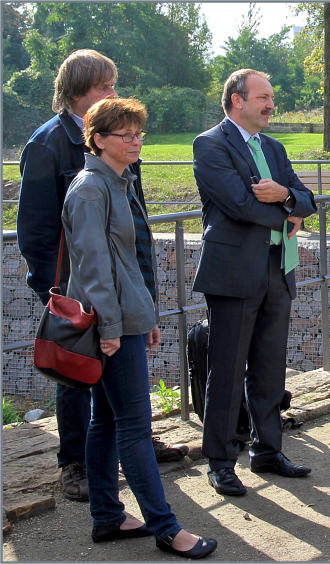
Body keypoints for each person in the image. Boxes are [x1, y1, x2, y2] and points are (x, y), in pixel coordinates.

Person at [16, 49, 187, 503]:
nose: (113, 92)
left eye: (113, 83)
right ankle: (74, 464)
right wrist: (55, 293)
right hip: (76, 286)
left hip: (123, 276)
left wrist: (143, 282)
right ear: (77, 93)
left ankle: (135, 438)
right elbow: (33, 230)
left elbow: (134, 208)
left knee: (124, 365)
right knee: (78, 371)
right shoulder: (47, 144)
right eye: (103, 86)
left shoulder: (119, 135)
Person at [61, 97, 217, 558]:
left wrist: (143, 317)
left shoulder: (117, 182)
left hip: (123, 319)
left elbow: (130, 263)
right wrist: (112, 327)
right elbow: (93, 269)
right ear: (98, 139)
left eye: (138, 133)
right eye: (125, 134)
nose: (135, 141)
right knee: (133, 425)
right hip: (110, 325)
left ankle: (107, 517)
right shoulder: (91, 189)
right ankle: (166, 528)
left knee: (105, 420)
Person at [192, 69, 317, 496]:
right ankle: (221, 462)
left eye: (271, 97)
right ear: (237, 100)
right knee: (227, 371)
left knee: (269, 368)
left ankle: (268, 450)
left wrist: (284, 196)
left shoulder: (273, 148)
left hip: (277, 270)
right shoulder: (211, 144)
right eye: (263, 97)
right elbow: (240, 205)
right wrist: (288, 213)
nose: (271, 105)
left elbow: (308, 199)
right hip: (232, 274)